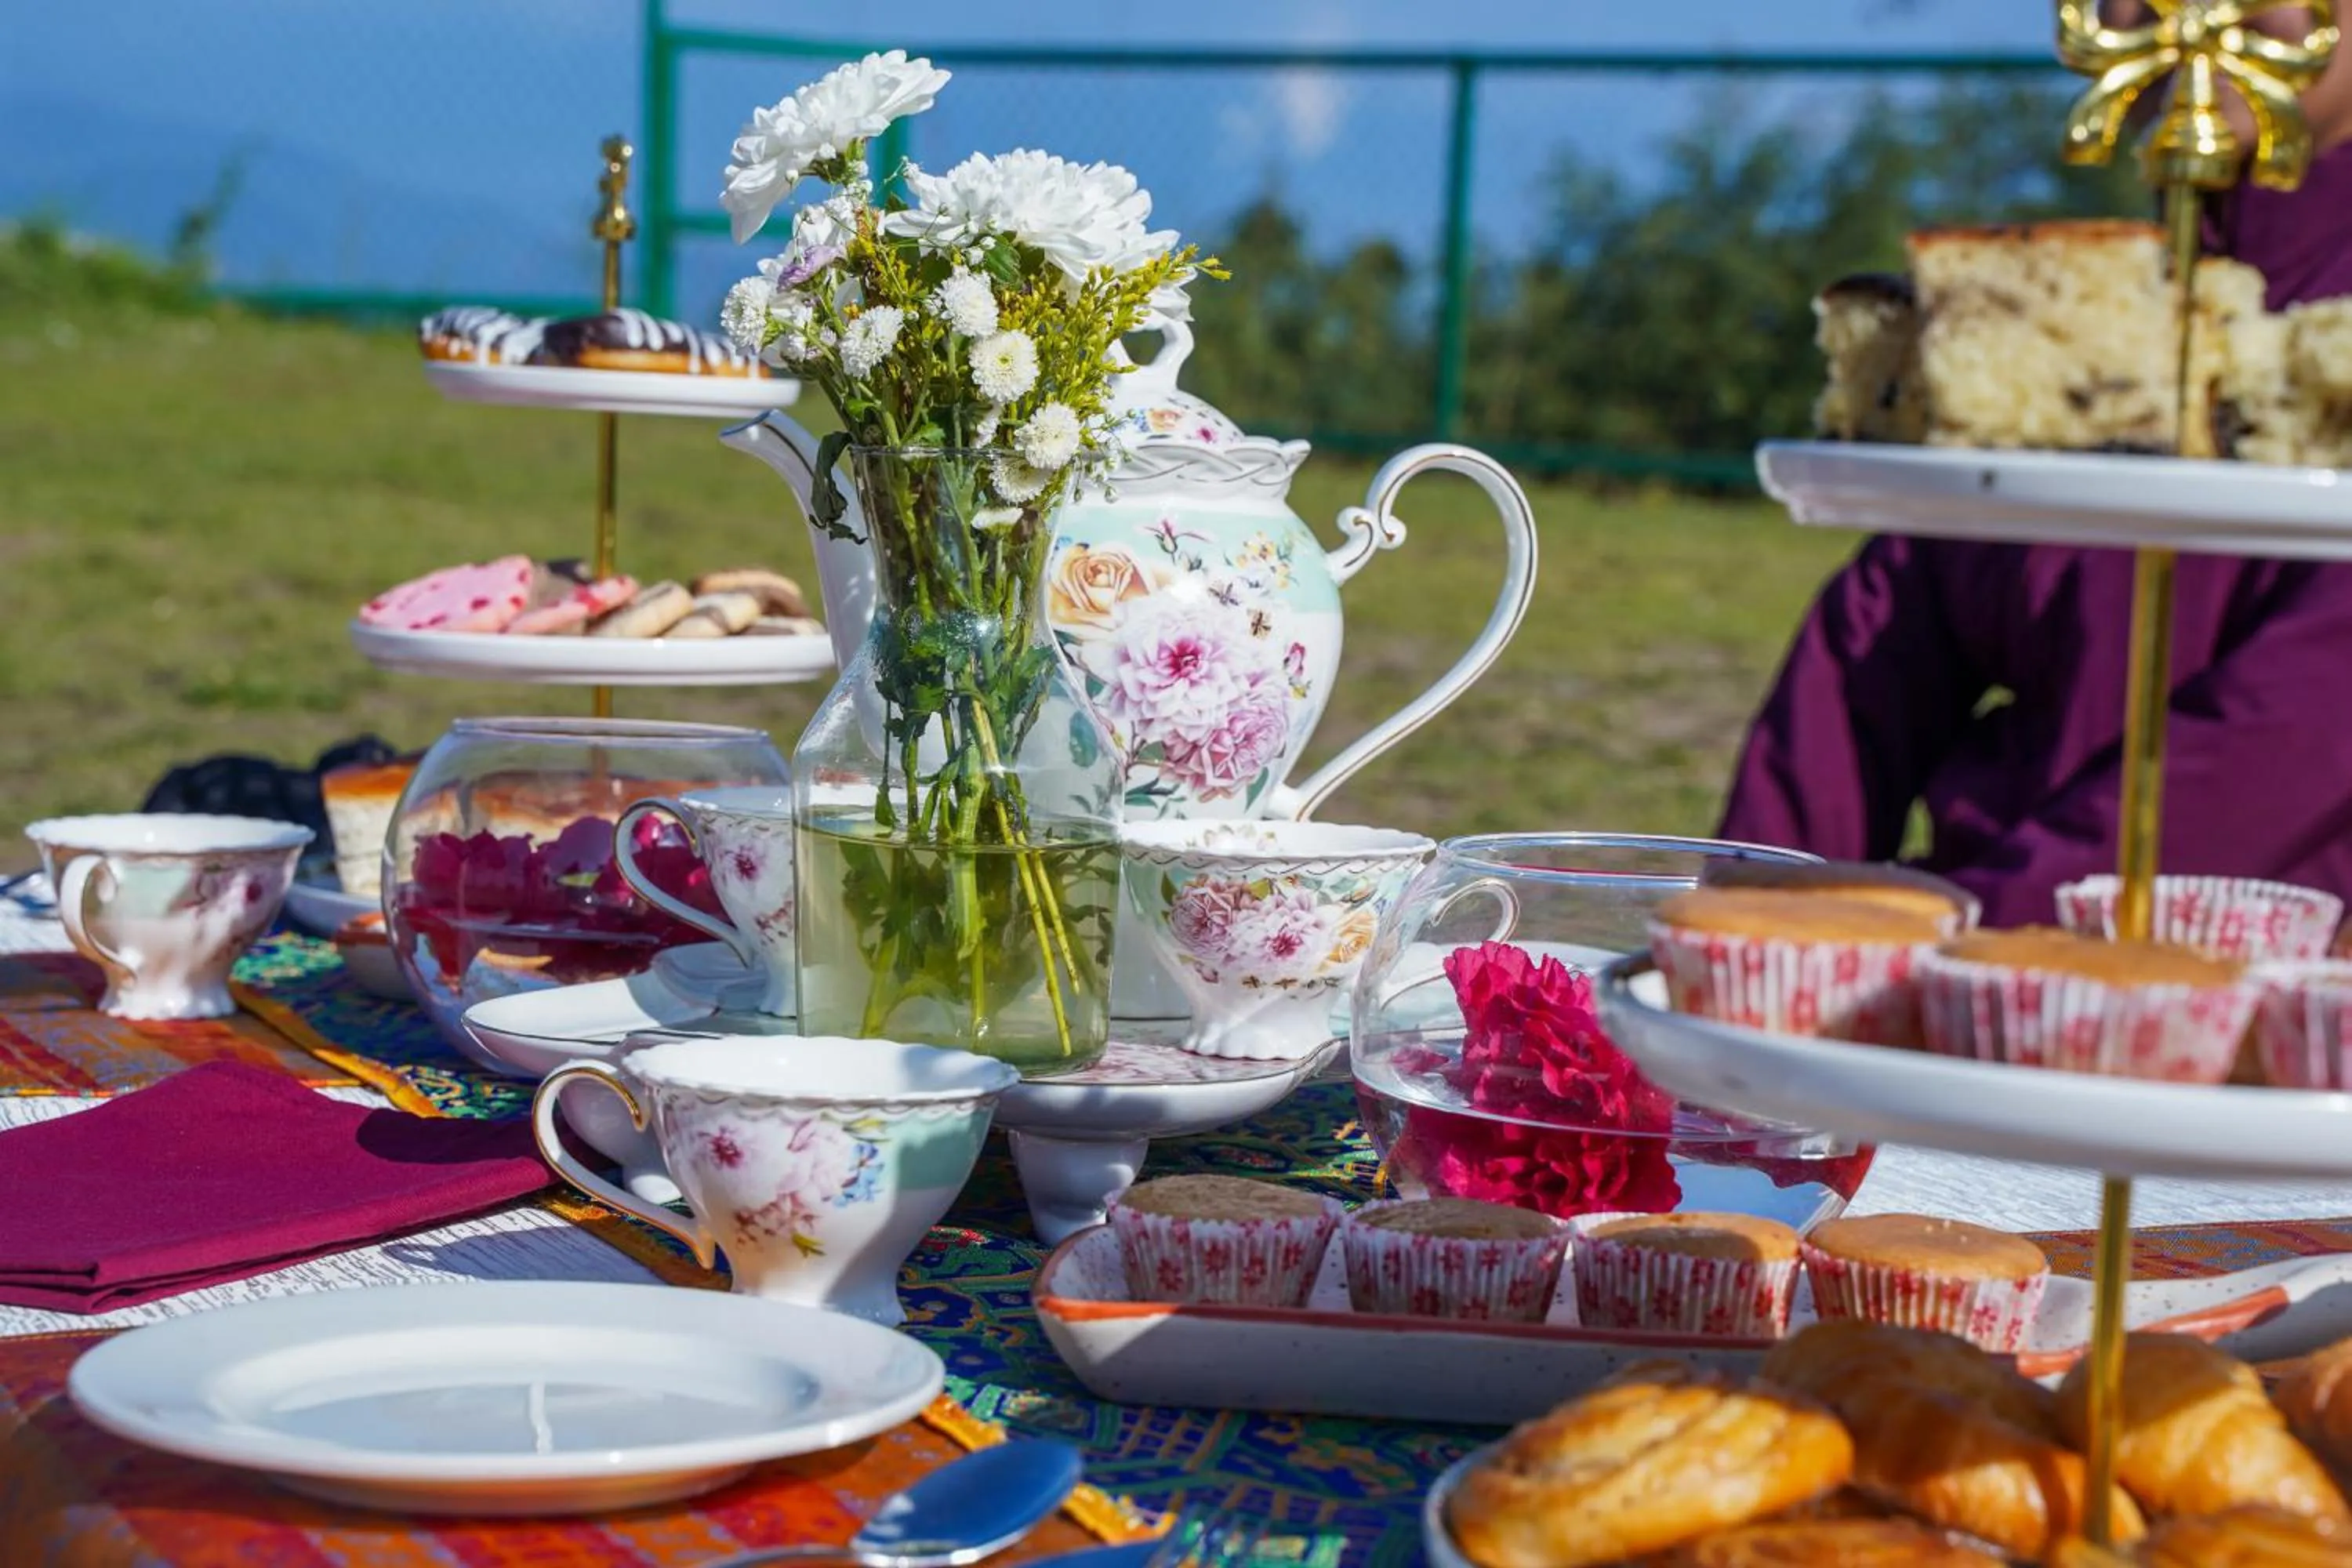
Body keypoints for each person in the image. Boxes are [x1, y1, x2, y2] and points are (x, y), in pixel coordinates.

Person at [1719, 18, 2352, 928]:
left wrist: (1962, 932)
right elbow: (1876, 647)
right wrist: (1748, 936)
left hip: (2268, 999)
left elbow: (2297, 738)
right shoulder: (2089, 318)